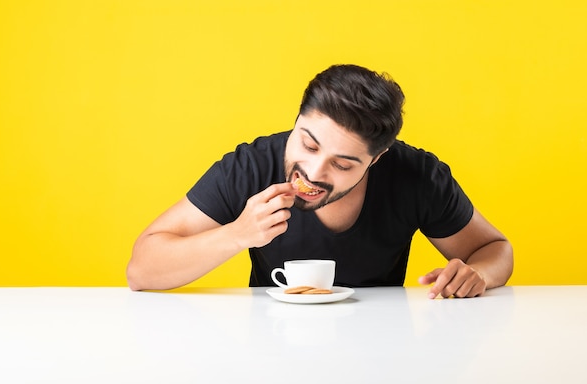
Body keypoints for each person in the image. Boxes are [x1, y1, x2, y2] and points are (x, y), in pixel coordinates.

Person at [127, 64, 513, 298]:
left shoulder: (416, 175)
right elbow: (141, 270)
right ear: (296, 121)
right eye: (308, 144)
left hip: (383, 347)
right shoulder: (250, 166)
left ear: (376, 159)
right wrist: (236, 235)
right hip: (270, 345)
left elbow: (496, 249)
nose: (313, 172)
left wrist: (477, 274)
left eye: (342, 165)